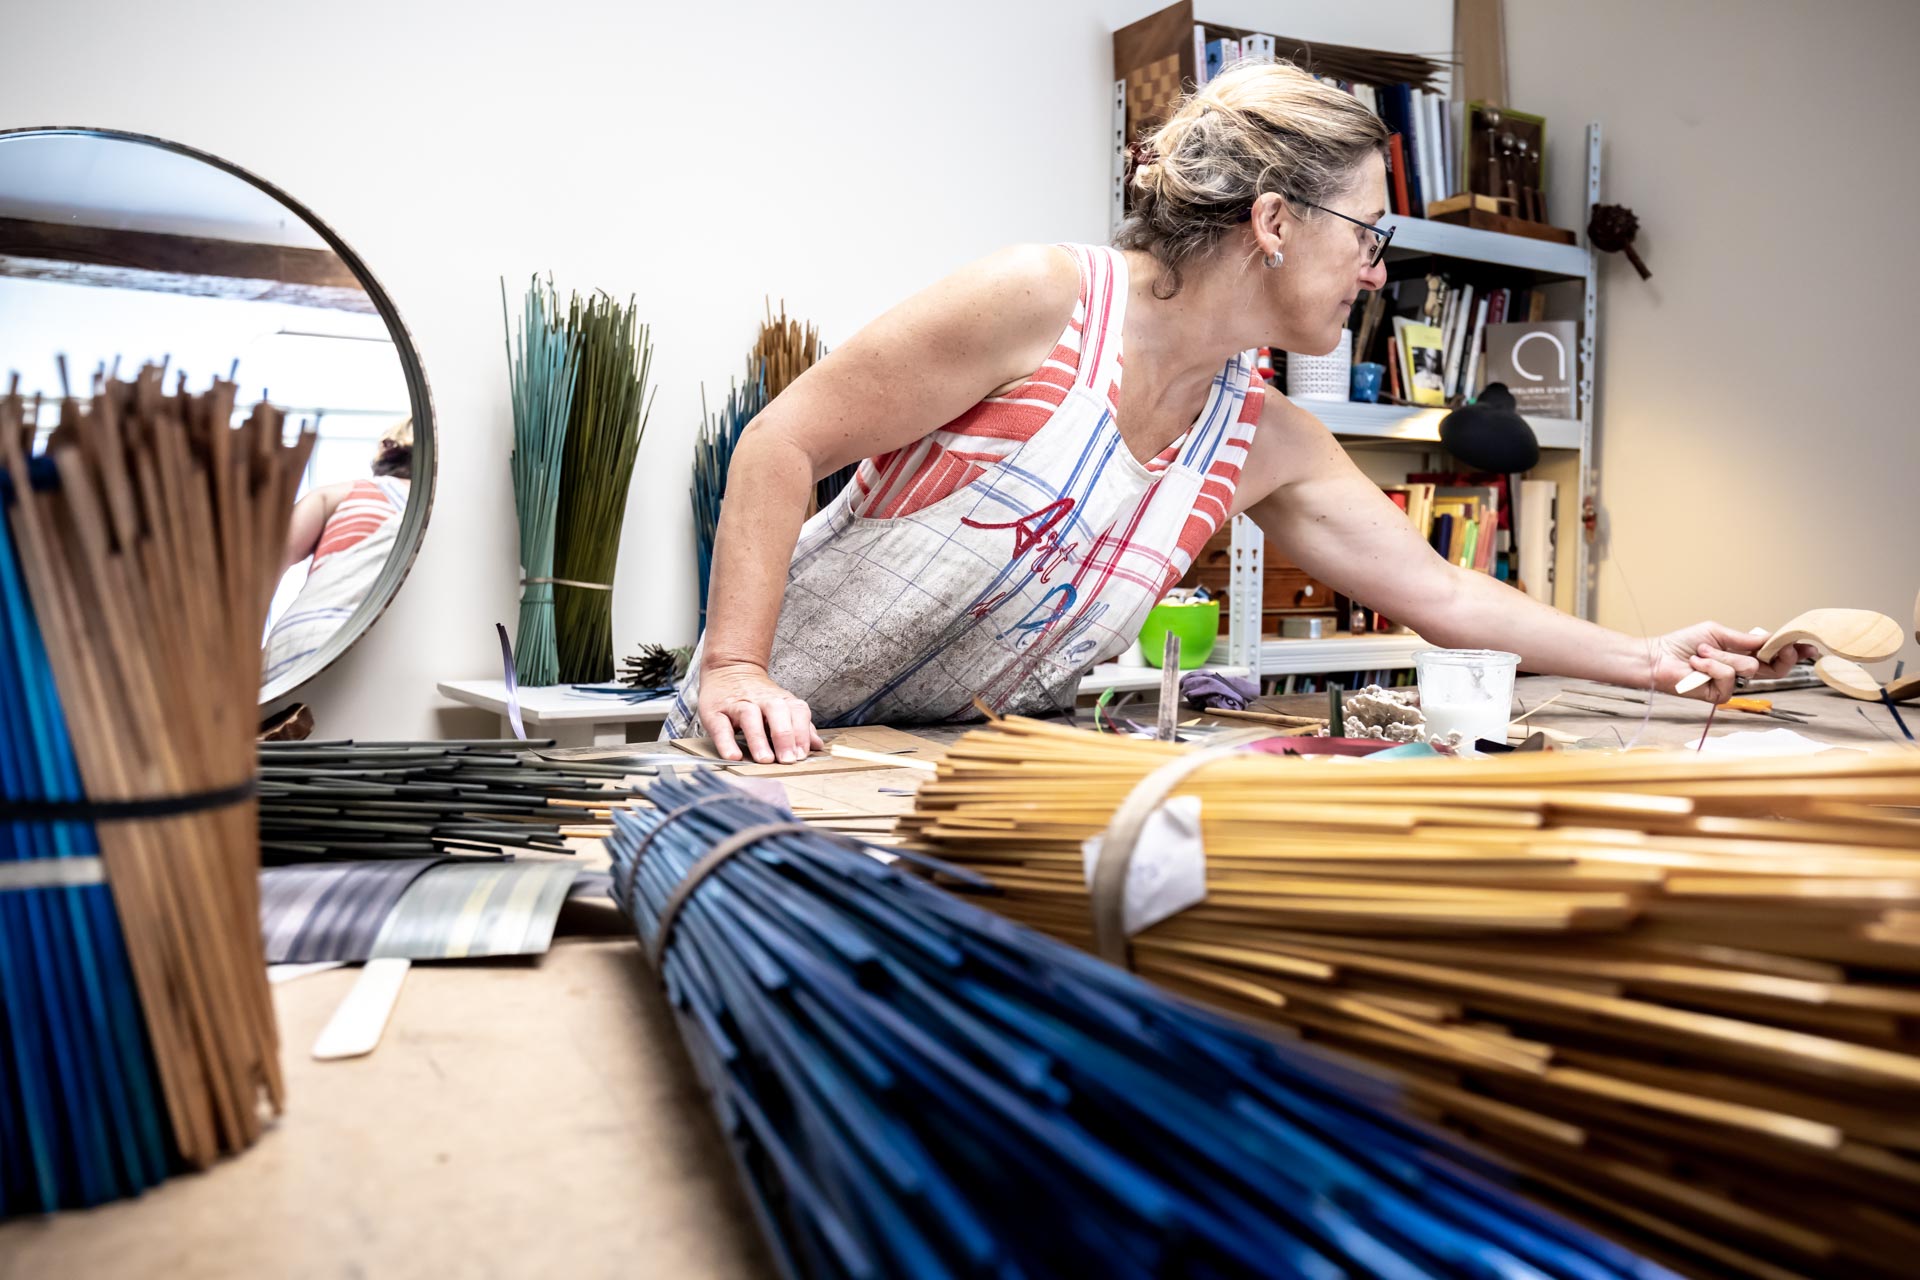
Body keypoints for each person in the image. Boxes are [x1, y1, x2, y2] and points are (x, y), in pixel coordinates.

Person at [666, 61, 1809, 764]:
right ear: (1274, 220)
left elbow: (1445, 593)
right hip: (753, 749)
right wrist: (732, 667)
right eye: (1368, 235)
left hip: (923, 787)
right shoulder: (1041, 300)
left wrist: (1650, 660)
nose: (1375, 271)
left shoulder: (1262, 435)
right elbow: (783, 441)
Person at [262, 420, 412, 684]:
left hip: (299, 641)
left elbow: (266, 562)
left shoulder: (345, 493)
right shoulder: (441, 517)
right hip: (377, 654)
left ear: (389, 447)